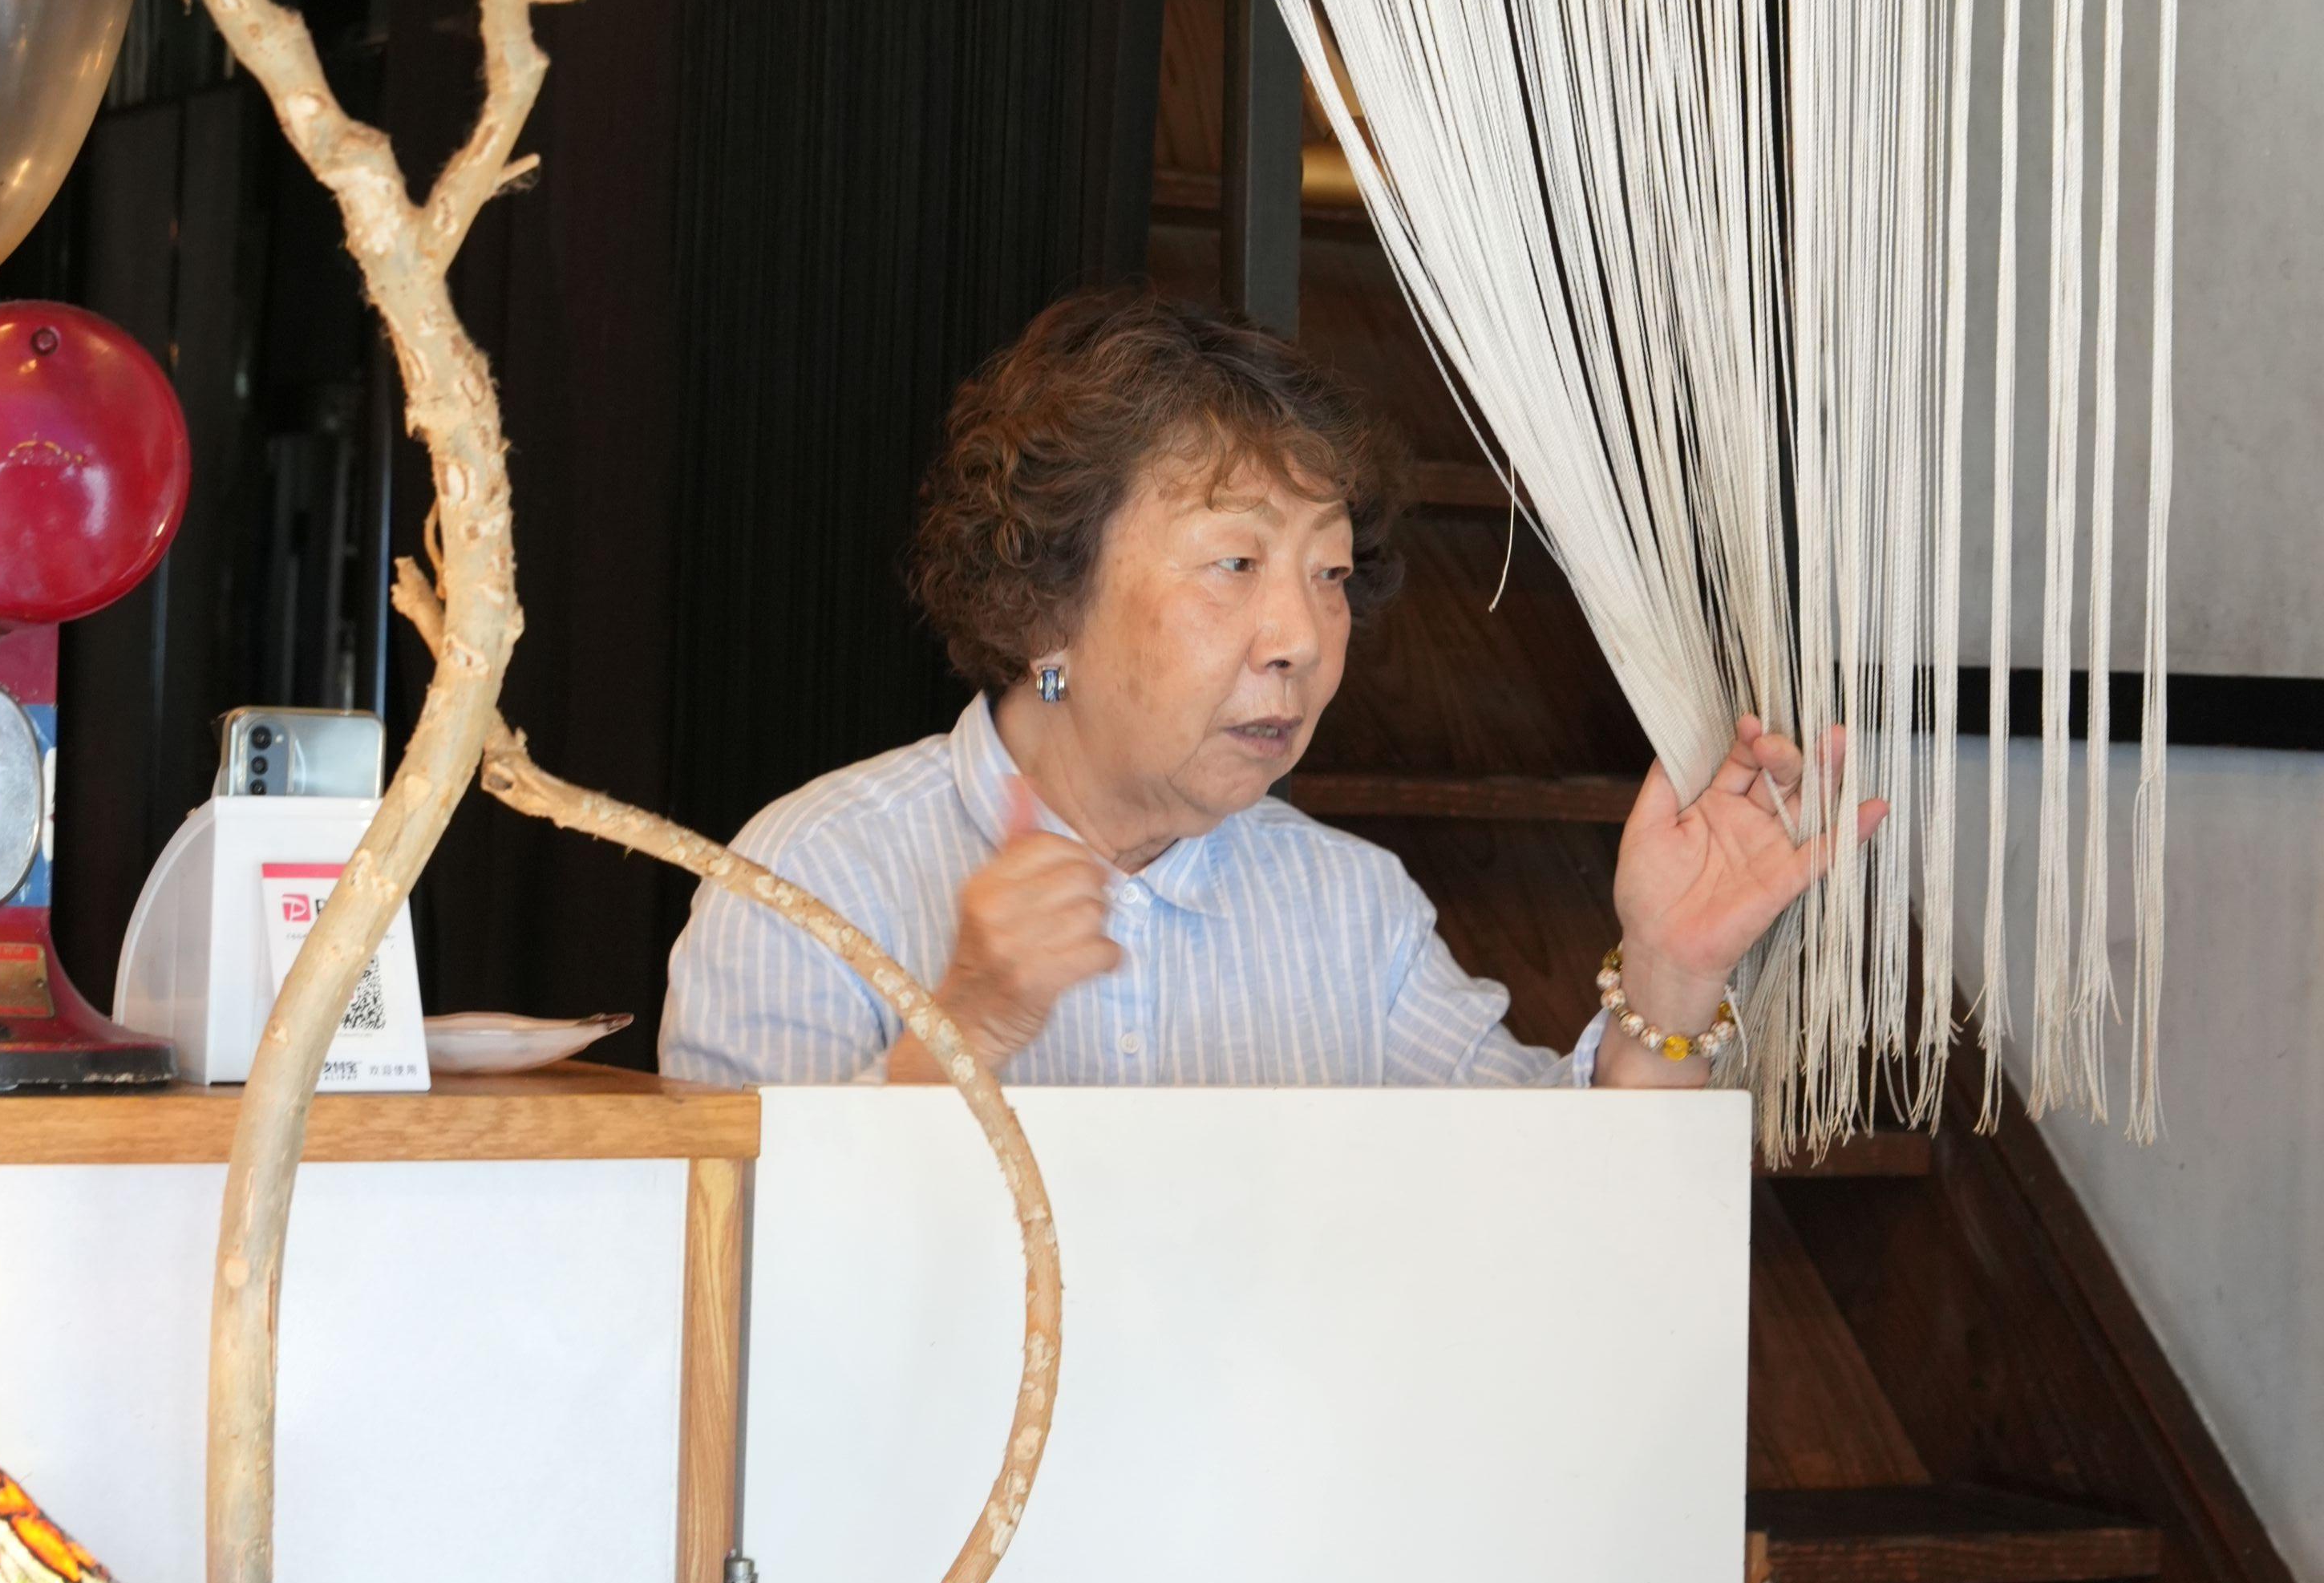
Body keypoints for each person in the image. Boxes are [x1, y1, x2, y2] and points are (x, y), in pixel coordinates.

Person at [658, 289, 1881, 1091]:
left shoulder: (1351, 913)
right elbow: (722, 1306)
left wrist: (1669, 971)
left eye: (1330, 576)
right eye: (1234, 565)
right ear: (1045, 605)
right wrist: (963, 1029)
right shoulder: (808, 882)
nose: (1301, 636)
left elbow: (1550, 1222)